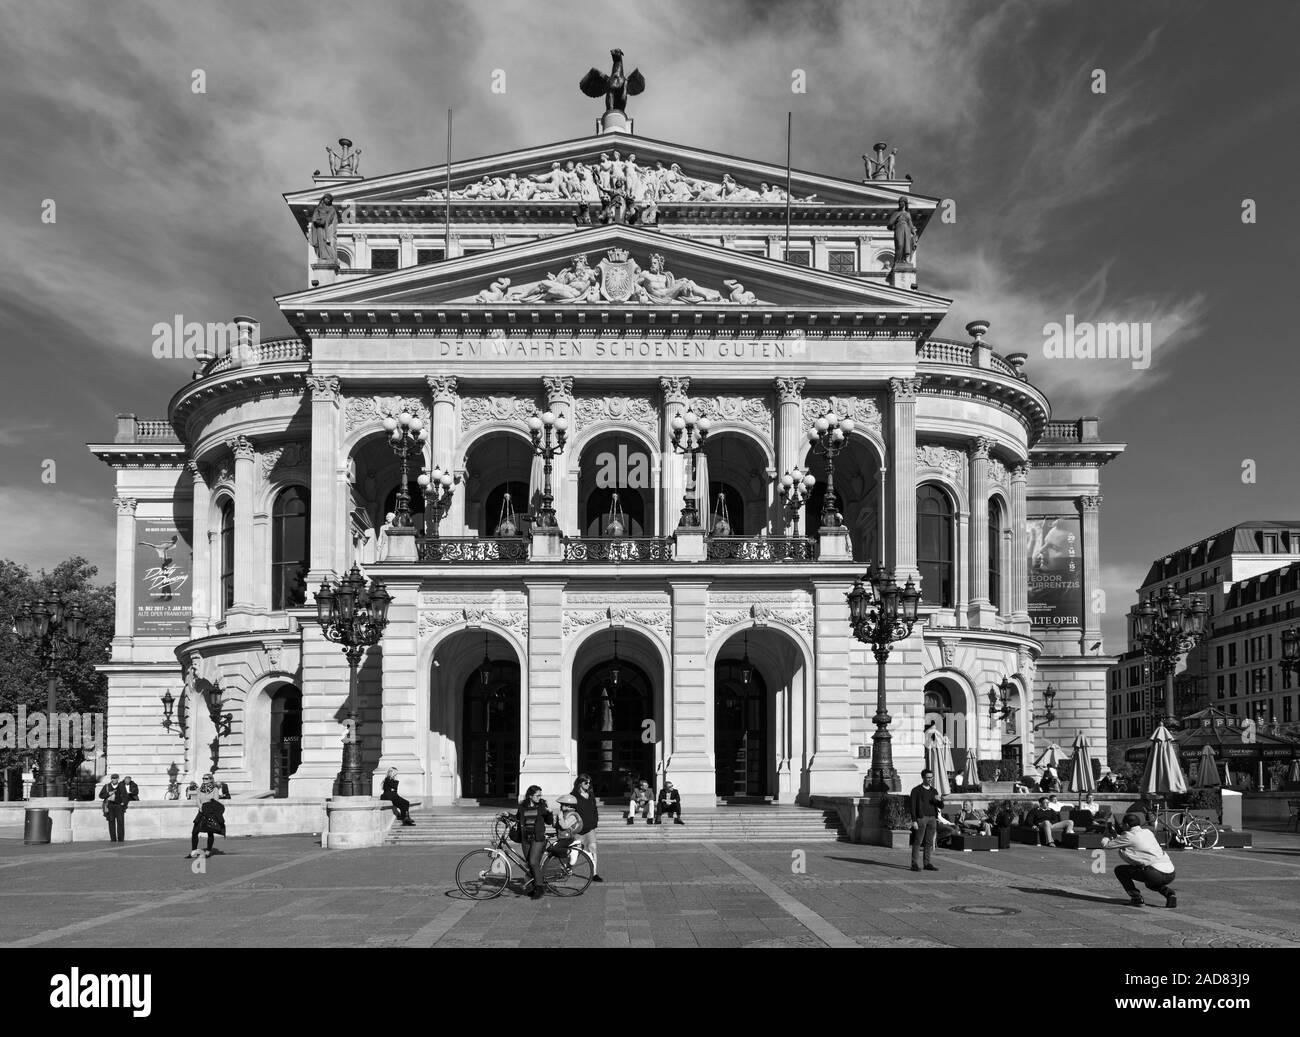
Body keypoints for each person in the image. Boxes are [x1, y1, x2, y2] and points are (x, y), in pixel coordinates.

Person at [1102, 812, 1178, 908]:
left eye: (1122, 824)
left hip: (1154, 873)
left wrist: (1106, 835)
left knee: (1120, 870)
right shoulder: (1147, 832)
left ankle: (1136, 898)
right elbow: (1133, 841)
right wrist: (1116, 836)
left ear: (1126, 825)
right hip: (1170, 872)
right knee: (1150, 883)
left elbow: (1106, 845)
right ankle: (1170, 894)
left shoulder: (1129, 836)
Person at [516, 785, 555, 900]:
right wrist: (507, 815)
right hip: (526, 838)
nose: (539, 797)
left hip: (538, 839)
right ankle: (533, 887)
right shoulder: (522, 806)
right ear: (530, 796)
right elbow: (518, 818)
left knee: (533, 861)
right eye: (537, 795)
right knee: (530, 863)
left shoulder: (542, 805)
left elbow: (549, 822)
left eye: (540, 795)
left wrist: (550, 813)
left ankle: (540, 887)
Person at [908, 768, 944, 872]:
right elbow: (913, 806)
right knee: (918, 841)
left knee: (929, 842)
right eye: (928, 777)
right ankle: (914, 864)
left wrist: (939, 800)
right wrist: (914, 820)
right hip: (921, 818)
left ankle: (927, 863)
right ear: (923, 777)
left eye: (931, 777)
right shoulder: (916, 790)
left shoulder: (934, 791)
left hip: (932, 818)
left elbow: (941, 806)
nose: (930, 779)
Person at [571, 774, 603, 882]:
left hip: (590, 828)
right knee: (574, 854)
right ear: (580, 783)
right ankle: (567, 868)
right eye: (586, 783)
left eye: (589, 783)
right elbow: (570, 812)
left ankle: (594, 873)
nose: (588, 785)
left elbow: (594, 809)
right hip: (578, 829)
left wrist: (595, 821)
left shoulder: (590, 794)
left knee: (593, 849)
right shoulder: (573, 796)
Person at [187, 773, 226, 858]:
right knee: (194, 831)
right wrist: (200, 807)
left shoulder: (215, 789)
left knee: (210, 832)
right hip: (201, 811)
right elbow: (197, 799)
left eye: (206, 778)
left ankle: (208, 851)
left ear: (211, 780)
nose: (204, 780)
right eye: (203, 778)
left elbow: (215, 801)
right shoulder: (199, 789)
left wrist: (207, 808)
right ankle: (193, 852)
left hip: (210, 812)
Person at [99, 774, 130, 842]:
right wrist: (108, 794)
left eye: (115, 778)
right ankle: (113, 839)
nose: (114, 780)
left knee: (120, 823)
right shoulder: (107, 786)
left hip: (119, 806)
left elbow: (126, 796)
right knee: (111, 823)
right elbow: (100, 795)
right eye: (112, 778)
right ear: (111, 779)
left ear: (118, 779)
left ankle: (121, 839)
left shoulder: (121, 786)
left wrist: (123, 803)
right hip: (110, 806)